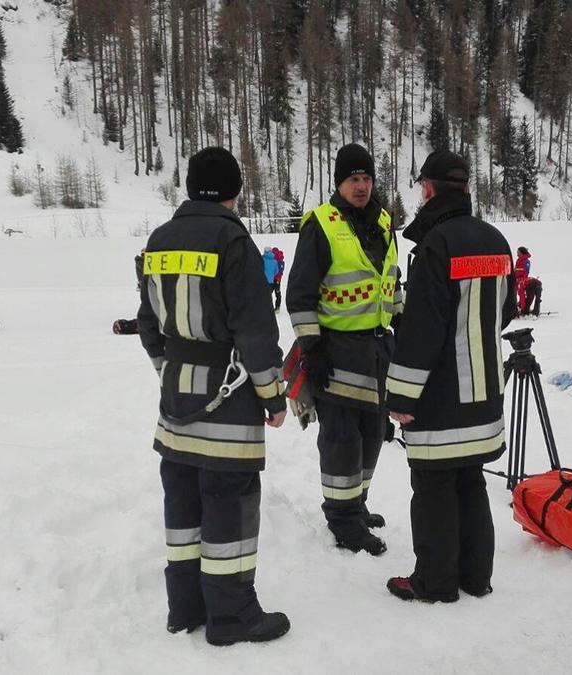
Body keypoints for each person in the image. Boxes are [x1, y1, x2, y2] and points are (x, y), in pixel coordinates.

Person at [135, 147, 291, 646]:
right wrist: (273, 396)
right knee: (229, 505)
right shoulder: (233, 240)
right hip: (229, 400)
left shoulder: (159, 241)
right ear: (233, 192)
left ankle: (184, 608)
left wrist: (169, 371)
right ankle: (232, 616)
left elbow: (148, 323)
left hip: (175, 403)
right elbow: (254, 329)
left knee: (182, 504)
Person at [382, 149, 516, 603]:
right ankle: (475, 578)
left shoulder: (435, 247)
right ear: (467, 189)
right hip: (486, 394)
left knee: (434, 486)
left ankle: (435, 583)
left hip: (441, 397)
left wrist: (400, 396)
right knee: (470, 480)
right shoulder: (497, 241)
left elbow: (421, 332)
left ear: (429, 189)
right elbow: (506, 312)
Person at [286, 143, 403, 556]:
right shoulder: (321, 223)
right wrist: (311, 347)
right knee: (341, 440)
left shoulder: (384, 222)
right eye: (354, 178)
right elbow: (299, 295)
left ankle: (354, 504)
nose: (361, 186)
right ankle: (342, 520)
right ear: (340, 182)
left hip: (375, 351)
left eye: (367, 178)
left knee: (372, 435)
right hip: (334, 353)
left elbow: (391, 279)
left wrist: (401, 324)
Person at [513, 247, 543, 317]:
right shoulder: (518, 260)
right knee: (514, 292)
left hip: (522, 280)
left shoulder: (526, 261)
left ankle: (524, 308)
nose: (517, 254)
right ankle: (517, 306)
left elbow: (526, 273)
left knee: (521, 293)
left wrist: (521, 280)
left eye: (518, 252)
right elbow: (516, 270)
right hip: (517, 280)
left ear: (521, 252)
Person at [261, 247, 284, 313]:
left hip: (264, 280)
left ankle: (265, 308)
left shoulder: (262, 259)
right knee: (277, 293)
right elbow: (277, 271)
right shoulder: (275, 261)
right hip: (273, 280)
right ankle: (277, 308)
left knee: (265, 295)